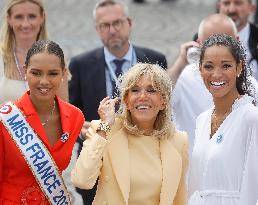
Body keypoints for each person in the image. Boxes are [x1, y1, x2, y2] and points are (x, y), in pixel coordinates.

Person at [68, 0, 167, 203]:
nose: (112, 30)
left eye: (117, 23)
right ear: (97, 29)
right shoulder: (80, 65)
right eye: (105, 25)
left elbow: (165, 109)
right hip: (100, 167)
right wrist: (80, 129)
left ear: (129, 23)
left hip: (144, 162)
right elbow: (73, 113)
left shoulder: (155, 59)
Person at [71, 63, 188, 205]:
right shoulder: (104, 130)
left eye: (151, 90)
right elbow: (82, 180)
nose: (143, 96)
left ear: (163, 101)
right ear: (126, 100)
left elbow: (179, 198)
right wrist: (104, 127)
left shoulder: (179, 140)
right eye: (135, 90)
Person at [0, 40, 84, 204]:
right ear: (25, 72)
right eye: (36, 73)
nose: (44, 81)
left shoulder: (75, 117)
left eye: (52, 73)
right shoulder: (6, 119)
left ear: (63, 74)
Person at [188, 34, 258, 205]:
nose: (216, 74)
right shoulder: (202, 120)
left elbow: (253, 188)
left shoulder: (251, 118)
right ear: (200, 69)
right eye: (209, 66)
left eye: (226, 66)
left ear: (239, 68)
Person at [168, 14, 247, 152]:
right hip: (191, 168)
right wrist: (180, 62)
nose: (218, 50)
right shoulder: (183, 76)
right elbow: (157, 93)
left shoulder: (249, 81)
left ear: (237, 41)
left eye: (225, 42)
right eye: (211, 43)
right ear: (199, 43)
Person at [0, 0, 68, 105]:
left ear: (42, 17)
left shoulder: (56, 59)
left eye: (32, 16)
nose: (25, 24)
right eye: (19, 17)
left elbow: (64, 113)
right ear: (9, 19)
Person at [217, 0, 258, 80]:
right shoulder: (203, 37)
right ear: (219, 7)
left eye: (238, 3)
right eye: (226, 3)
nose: (232, 10)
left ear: (252, 8)